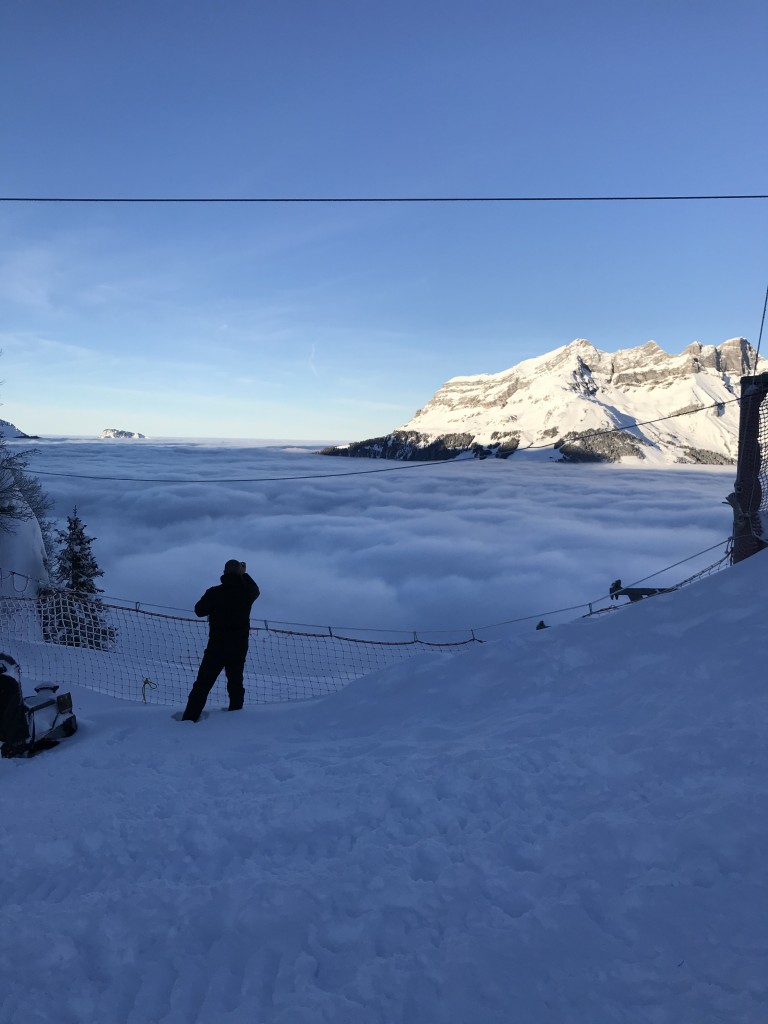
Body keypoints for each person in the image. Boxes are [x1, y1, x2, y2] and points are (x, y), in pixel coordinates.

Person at [182, 560, 260, 721]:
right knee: (235, 682)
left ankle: (190, 718)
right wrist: (244, 574)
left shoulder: (214, 593)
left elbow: (199, 610)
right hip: (239, 647)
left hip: (216, 646)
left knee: (203, 684)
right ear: (240, 574)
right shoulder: (247, 592)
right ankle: (235, 716)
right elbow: (256, 589)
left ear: (224, 573)